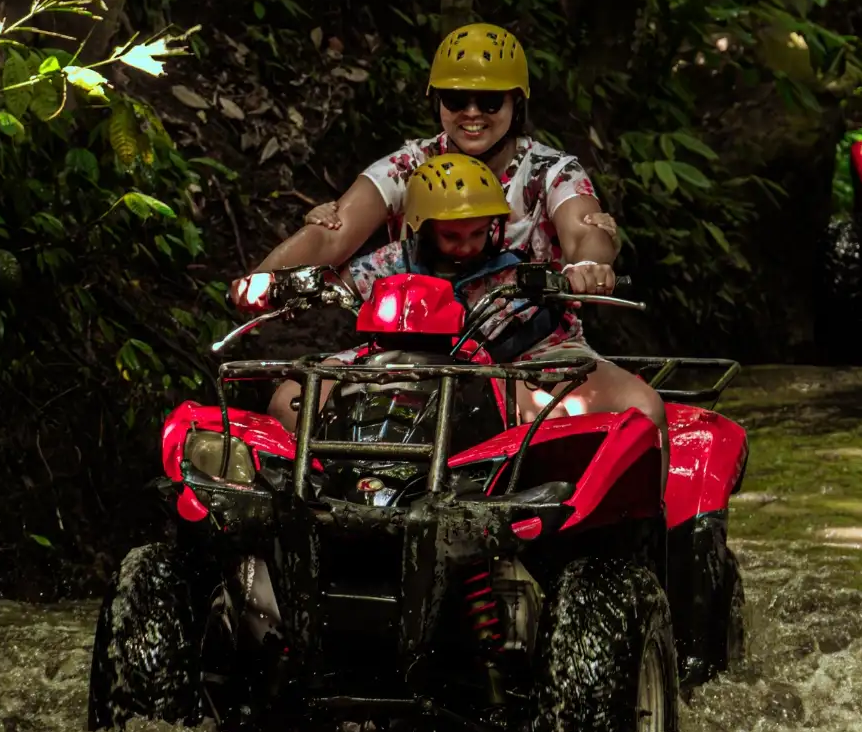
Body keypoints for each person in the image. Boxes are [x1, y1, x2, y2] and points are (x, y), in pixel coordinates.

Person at [233, 22, 666, 445]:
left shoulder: (550, 170)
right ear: (437, 102)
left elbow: (584, 229)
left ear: (516, 104)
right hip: (413, 348)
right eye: (456, 99)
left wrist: (589, 265)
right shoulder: (410, 165)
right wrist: (264, 281)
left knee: (642, 409)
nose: (472, 113)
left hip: (532, 350)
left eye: (490, 101)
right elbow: (333, 233)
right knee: (293, 402)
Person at [255, 152, 671, 485]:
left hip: (497, 365)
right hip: (401, 360)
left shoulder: (515, 269)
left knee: (574, 413)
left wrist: (584, 270)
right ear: (423, 228)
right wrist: (277, 284)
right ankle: (327, 492)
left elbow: (584, 239)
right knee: (290, 400)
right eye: (452, 235)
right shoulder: (391, 261)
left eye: (478, 233)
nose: (467, 246)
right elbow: (335, 279)